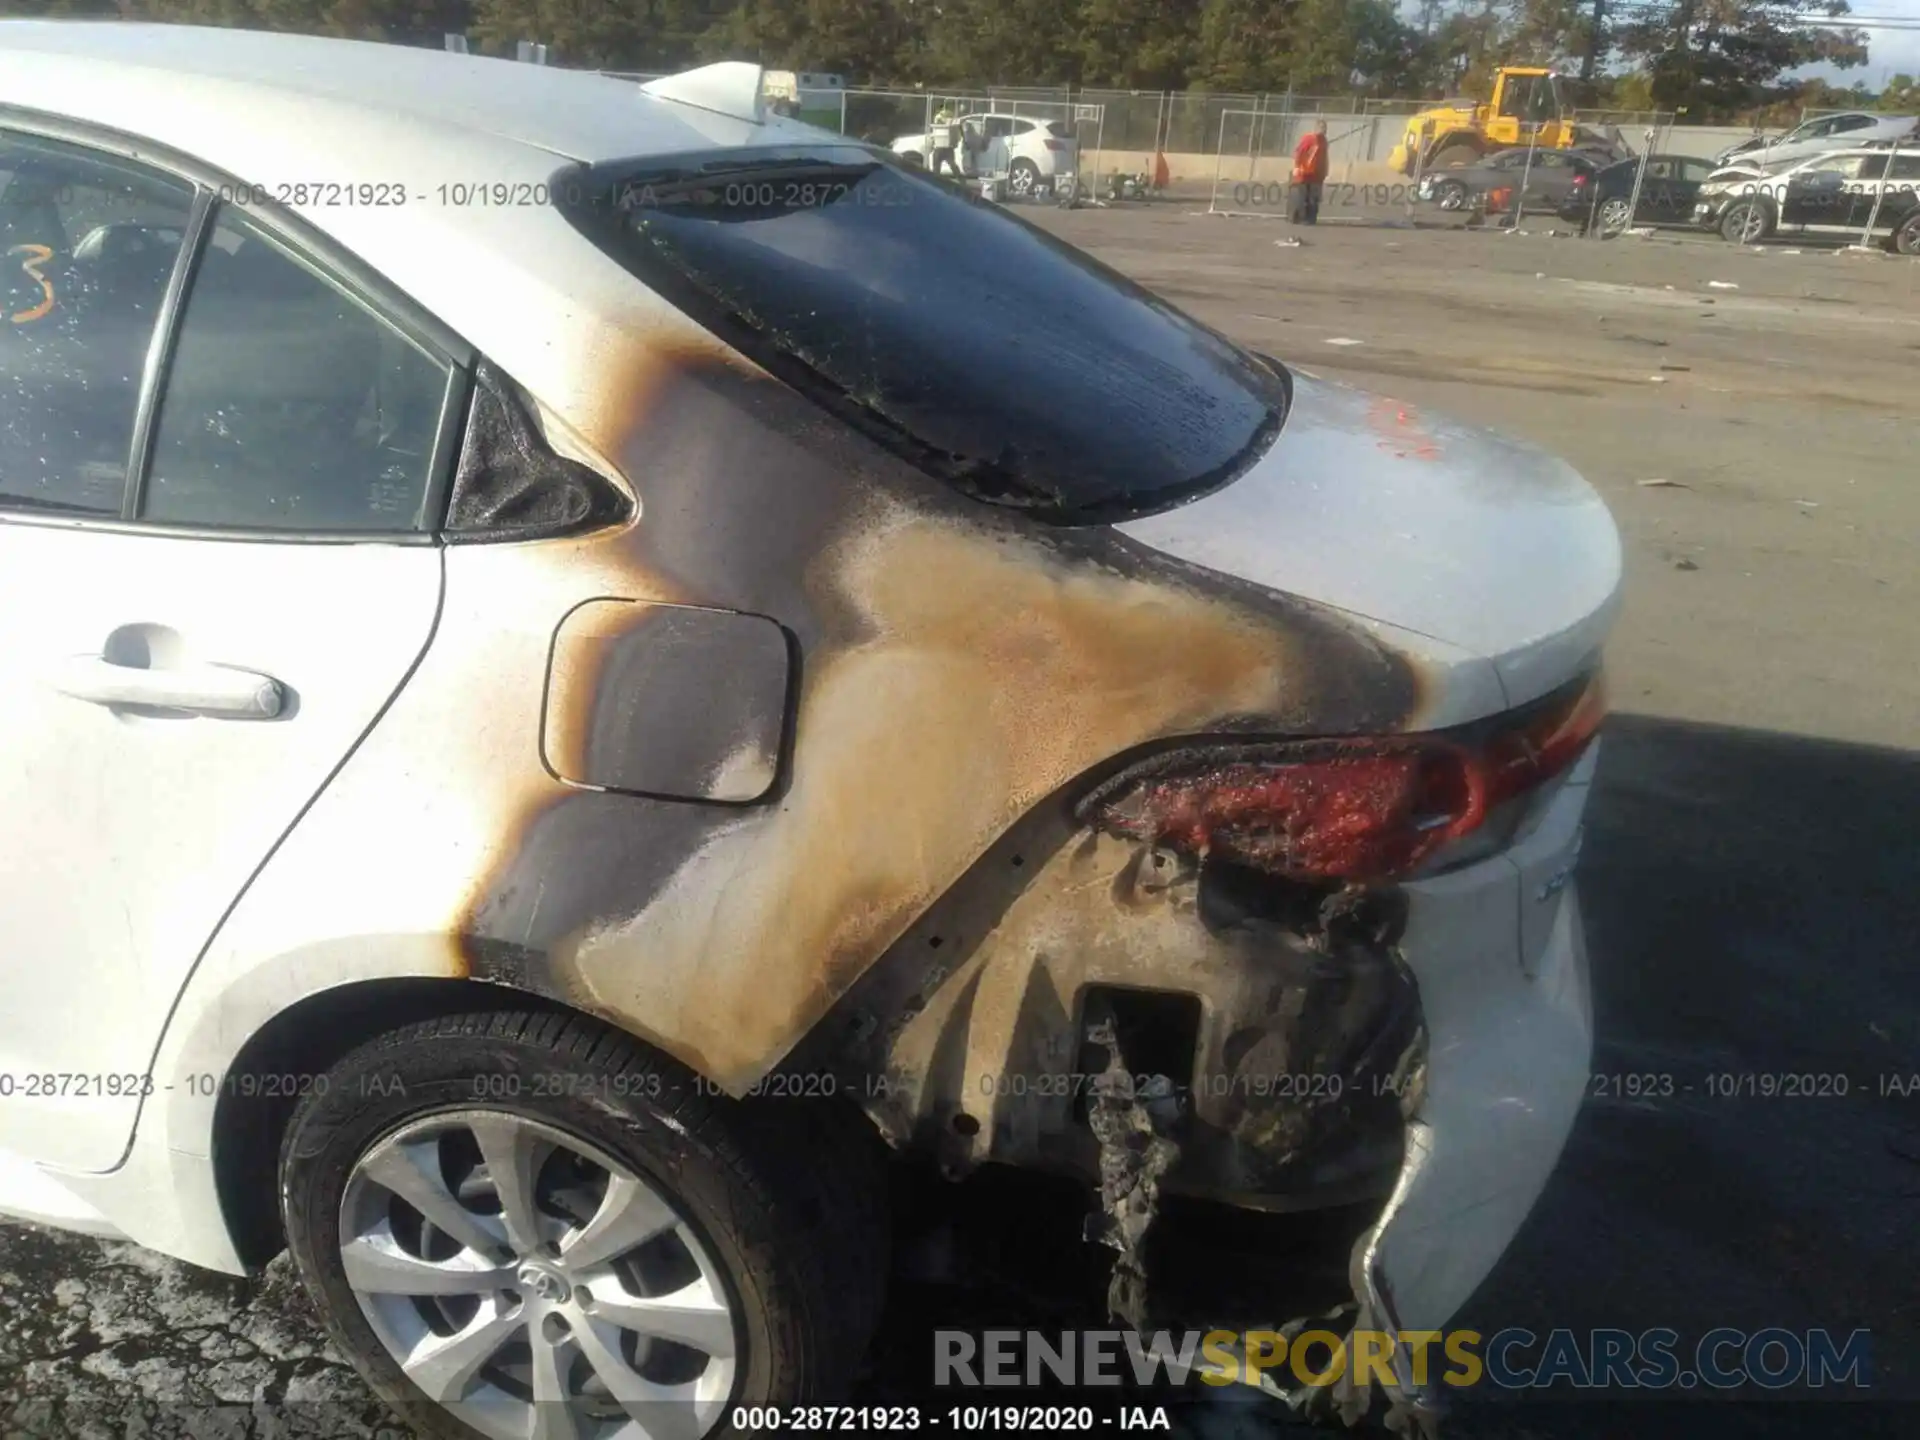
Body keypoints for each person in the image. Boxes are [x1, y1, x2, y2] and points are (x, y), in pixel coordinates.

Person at [1291, 119, 1330, 225]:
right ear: (1316, 128)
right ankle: (1298, 217)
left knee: (1314, 197)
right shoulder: (1308, 139)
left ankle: (1311, 218)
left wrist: (1325, 170)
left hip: (1317, 174)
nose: (1324, 130)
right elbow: (1299, 152)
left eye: (1325, 128)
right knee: (1303, 197)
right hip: (1305, 172)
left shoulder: (1324, 141)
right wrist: (1297, 167)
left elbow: (1324, 157)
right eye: (1322, 128)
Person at [929, 109, 962, 178]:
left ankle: (936, 181)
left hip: (939, 148)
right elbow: (958, 138)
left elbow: (933, 137)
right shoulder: (952, 127)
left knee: (937, 168)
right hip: (947, 149)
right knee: (952, 165)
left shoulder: (938, 127)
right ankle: (961, 180)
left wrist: (932, 145)